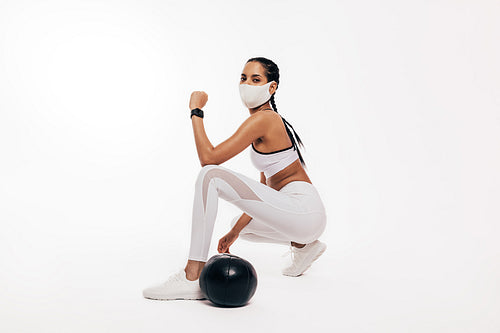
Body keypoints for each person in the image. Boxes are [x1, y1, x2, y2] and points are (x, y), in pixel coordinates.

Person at [143, 57, 327, 301]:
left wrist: (196, 111)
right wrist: (234, 233)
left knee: (210, 176)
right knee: (241, 227)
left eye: (255, 79)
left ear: (271, 88)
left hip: (303, 209)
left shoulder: (265, 119)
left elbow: (209, 158)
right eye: (243, 78)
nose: (247, 84)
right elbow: (264, 187)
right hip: (302, 218)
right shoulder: (266, 121)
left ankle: (191, 276)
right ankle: (305, 246)